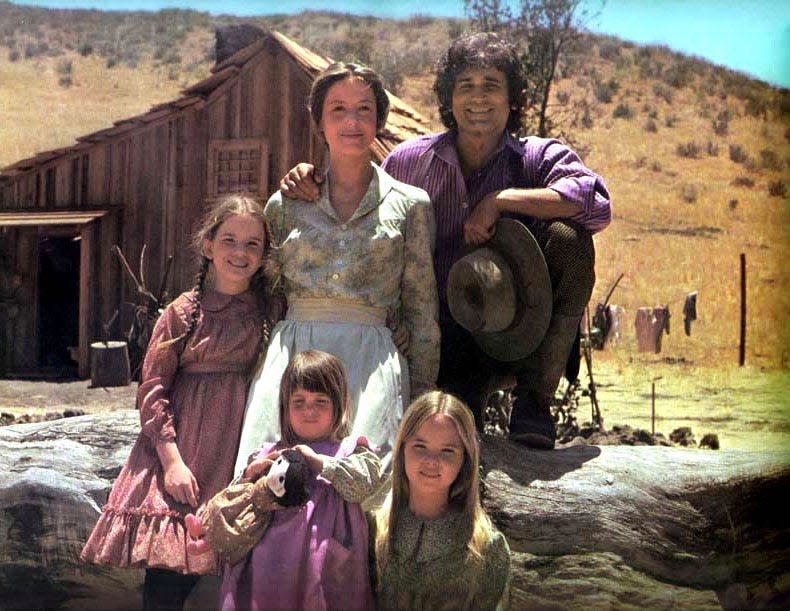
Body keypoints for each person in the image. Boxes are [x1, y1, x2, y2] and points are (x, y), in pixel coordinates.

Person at [281, 33, 612, 449]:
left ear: (513, 98)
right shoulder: (410, 161)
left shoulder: (537, 157)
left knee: (571, 239)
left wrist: (501, 201)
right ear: (448, 98)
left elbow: (596, 202)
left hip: (525, 331)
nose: (478, 98)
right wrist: (307, 177)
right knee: (450, 443)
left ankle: (535, 398)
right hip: (444, 334)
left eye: (491, 85)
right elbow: (367, 219)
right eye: (465, 86)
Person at [234, 62, 440, 476]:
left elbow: (422, 308)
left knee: (363, 484)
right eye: (338, 109)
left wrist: (422, 394)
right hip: (293, 361)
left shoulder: (410, 204)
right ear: (319, 122)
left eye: (365, 109)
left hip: (372, 360)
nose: (352, 121)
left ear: (380, 120)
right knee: (272, 481)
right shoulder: (285, 204)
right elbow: (267, 296)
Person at [80, 194, 281, 610]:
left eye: (252, 244)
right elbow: (151, 390)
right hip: (182, 454)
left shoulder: (269, 312)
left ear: (264, 255)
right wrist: (171, 462)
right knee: (168, 581)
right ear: (208, 246)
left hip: (233, 452)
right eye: (229, 240)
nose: (239, 253)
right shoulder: (183, 312)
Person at [218, 350, 383, 610]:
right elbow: (234, 501)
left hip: (327, 565)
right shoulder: (267, 452)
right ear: (285, 406)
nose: (309, 411)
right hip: (267, 569)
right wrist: (251, 475)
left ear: (338, 404)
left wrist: (319, 462)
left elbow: (364, 485)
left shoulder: (352, 451)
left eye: (321, 401)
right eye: (299, 402)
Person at [373, 390, 511, 609]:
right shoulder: (372, 533)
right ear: (402, 450)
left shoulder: (486, 550)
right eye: (420, 446)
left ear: (465, 460)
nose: (431, 461)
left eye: (447, 451)